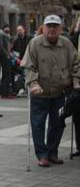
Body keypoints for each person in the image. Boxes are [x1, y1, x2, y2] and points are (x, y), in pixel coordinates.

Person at [24, 15, 80, 167]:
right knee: (38, 124)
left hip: (60, 92)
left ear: (61, 28)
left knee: (58, 123)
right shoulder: (35, 43)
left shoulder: (66, 44)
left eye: (55, 26)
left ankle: (52, 152)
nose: (52, 29)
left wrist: (76, 81)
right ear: (44, 27)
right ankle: (42, 155)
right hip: (40, 93)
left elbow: (76, 64)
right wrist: (33, 83)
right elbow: (29, 67)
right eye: (49, 26)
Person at [0, 24, 13, 98]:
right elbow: (0, 46)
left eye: (8, 28)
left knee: (7, 75)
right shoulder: (1, 36)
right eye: (6, 28)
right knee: (6, 75)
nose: (8, 29)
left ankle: (6, 92)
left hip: (8, 57)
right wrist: (7, 54)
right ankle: (5, 93)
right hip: (5, 58)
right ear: (3, 29)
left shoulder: (6, 36)